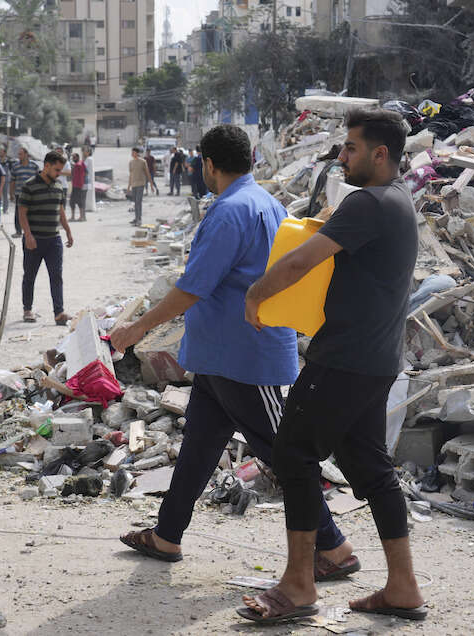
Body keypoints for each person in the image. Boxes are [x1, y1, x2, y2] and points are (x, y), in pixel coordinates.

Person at [112, 124, 358, 579]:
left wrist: (136, 328)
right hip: (222, 357)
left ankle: (335, 547)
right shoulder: (268, 202)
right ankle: (167, 536)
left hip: (244, 358)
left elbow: (191, 289)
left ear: (208, 164)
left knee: (285, 453)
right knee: (199, 449)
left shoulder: (229, 211)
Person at [238, 107, 425, 624]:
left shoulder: (369, 203)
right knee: (371, 468)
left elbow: (304, 260)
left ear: (379, 154)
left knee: (293, 452)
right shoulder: (397, 201)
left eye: (351, 148)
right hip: (377, 360)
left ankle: (298, 585)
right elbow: (325, 234)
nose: (342, 156)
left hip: (343, 359)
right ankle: (403, 587)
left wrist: (256, 294)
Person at [18, 150, 74, 326]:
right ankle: (27, 309)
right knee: (30, 276)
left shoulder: (58, 186)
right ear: (47, 166)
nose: (59, 173)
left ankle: (59, 313)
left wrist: (68, 231)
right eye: (57, 170)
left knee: (56, 276)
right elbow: (22, 213)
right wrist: (28, 235)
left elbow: (61, 211)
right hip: (34, 239)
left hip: (53, 240)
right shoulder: (29, 185)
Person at [10, 148, 39, 238]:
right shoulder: (15, 166)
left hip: (32, 194)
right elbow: (12, 181)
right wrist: (11, 193)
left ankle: (31, 231)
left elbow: (38, 180)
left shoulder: (34, 166)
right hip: (20, 194)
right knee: (19, 213)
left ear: (26, 154)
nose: (19, 156)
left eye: (21, 154)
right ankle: (18, 231)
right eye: (18, 154)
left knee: (32, 213)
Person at [128, 147, 148, 226]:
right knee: (135, 202)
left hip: (141, 184)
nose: (132, 154)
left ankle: (139, 219)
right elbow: (131, 175)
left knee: (138, 202)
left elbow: (147, 172)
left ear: (137, 153)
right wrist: (128, 186)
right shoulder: (131, 162)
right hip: (134, 184)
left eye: (133, 152)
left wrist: (152, 184)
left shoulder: (143, 162)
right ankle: (136, 218)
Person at [68, 152, 88, 222]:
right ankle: (79, 217)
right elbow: (86, 172)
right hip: (78, 185)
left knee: (75, 201)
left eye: (74, 157)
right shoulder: (81, 163)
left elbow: (72, 175)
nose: (73, 159)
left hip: (76, 185)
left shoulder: (77, 165)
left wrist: (79, 179)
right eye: (72, 157)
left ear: (77, 157)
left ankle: (79, 217)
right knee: (75, 201)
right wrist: (82, 180)